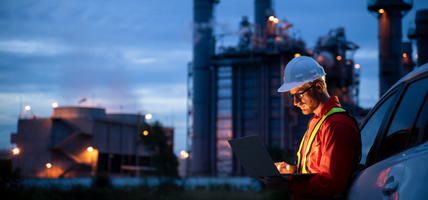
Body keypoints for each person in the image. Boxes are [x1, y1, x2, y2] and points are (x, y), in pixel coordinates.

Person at [257, 56, 362, 200]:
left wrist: (288, 185)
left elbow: (333, 183)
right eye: (291, 95)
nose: (295, 102)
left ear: (319, 87)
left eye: (299, 94)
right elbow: (314, 171)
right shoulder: (316, 122)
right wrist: (291, 171)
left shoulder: (337, 125)